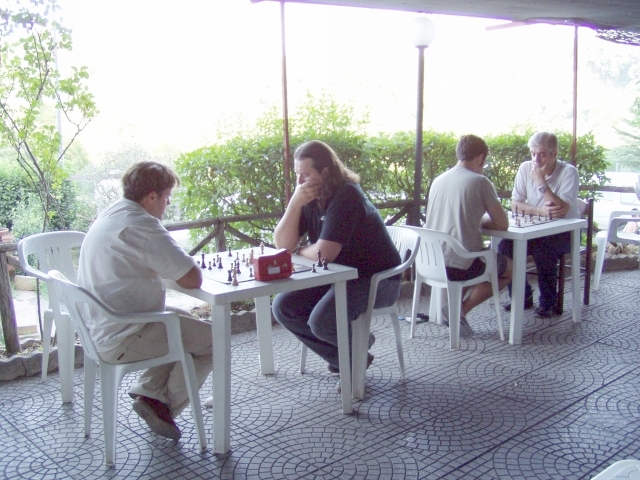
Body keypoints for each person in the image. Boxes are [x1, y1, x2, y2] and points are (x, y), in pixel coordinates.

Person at [77, 161, 212, 441]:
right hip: (124, 334)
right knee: (214, 340)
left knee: (187, 323)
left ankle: (149, 392)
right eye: (167, 196)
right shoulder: (142, 225)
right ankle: (163, 406)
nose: (168, 203)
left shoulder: (112, 212)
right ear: (152, 196)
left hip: (102, 325)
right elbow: (192, 278)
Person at [272, 140, 401, 379]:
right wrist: (294, 203)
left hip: (377, 280)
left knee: (322, 322)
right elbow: (282, 244)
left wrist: (299, 251)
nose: (300, 182)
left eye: (305, 174)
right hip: (338, 276)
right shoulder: (309, 197)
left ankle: (354, 354)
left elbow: (323, 254)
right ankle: (352, 355)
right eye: (297, 175)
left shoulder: (347, 195)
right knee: (283, 307)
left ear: (324, 172)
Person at [424, 134, 513, 338]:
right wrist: (480, 220)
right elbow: (502, 224)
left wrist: (474, 218)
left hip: (431, 262)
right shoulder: (480, 182)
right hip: (460, 266)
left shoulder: (439, 180)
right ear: (480, 157)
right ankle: (460, 310)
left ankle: (453, 308)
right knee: (509, 268)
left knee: (480, 257)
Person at [498, 131, 579, 318]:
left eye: (541, 154)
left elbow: (561, 209)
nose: (536, 159)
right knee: (505, 246)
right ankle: (522, 296)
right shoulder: (525, 168)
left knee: (544, 250)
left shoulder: (568, 172)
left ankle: (548, 302)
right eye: (533, 154)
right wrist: (540, 211)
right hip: (535, 228)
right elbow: (515, 204)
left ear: (554, 154)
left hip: (564, 231)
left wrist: (541, 182)